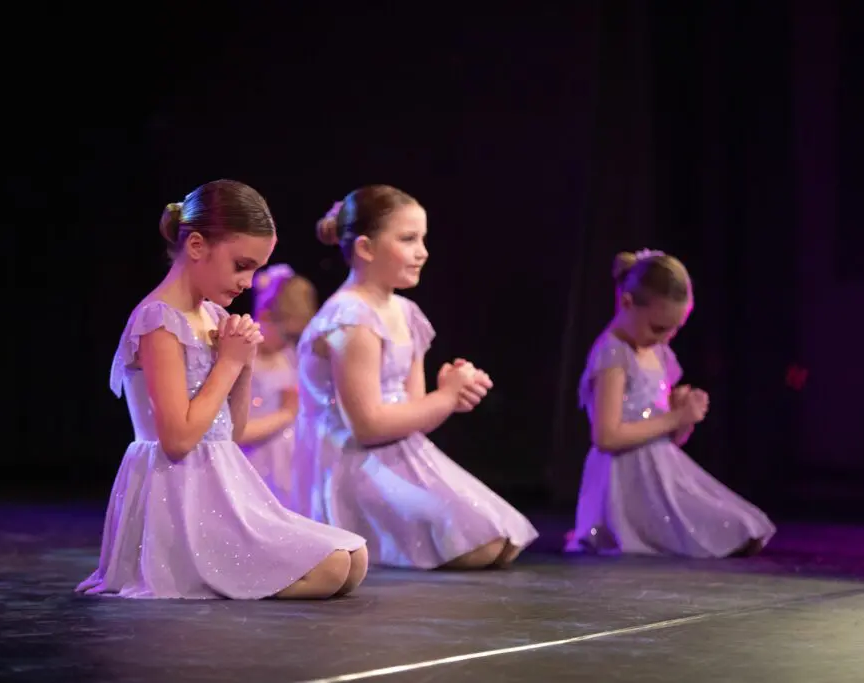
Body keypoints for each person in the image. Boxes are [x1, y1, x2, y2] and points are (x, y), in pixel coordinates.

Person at [77, 179, 368, 599]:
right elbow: (177, 440)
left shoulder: (213, 315)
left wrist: (243, 365)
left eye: (255, 269)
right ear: (197, 246)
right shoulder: (158, 320)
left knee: (353, 558)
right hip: (178, 494)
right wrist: (229, 362)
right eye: (241, 265)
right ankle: (214, 577)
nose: (248, 282)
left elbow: (232, 433)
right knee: (332, 568)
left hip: (223, 482)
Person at [291, 184, 539, 569]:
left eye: (422, 239)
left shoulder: (406, 313)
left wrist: (450, 394)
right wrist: (445, 398)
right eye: (408, 239)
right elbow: (367, 426)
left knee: (503, 540)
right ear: (366, 248)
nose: (422, 252)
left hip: (401, 453)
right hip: (352, 464)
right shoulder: (351, 319)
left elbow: (414, 412)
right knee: (480, 546)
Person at [565, 249, 776, 558]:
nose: (665, 338)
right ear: (627, 303)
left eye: (674, 329)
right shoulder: (613, 353)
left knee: (747, 528)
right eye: (658, 328)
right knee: (731, 534)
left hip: (662, 473)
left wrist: (683, 417)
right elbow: (606, 436)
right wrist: (674, 418)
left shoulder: (659, 353)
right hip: (625, 481)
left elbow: (669, 440)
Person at [236, 264, 317, 506]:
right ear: (265, 317)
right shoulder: (242, 360)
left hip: (290, 465)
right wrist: (286, 414)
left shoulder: (289, 356)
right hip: (254, 467)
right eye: (287, 334)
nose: (288, 343)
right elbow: (234, 433)